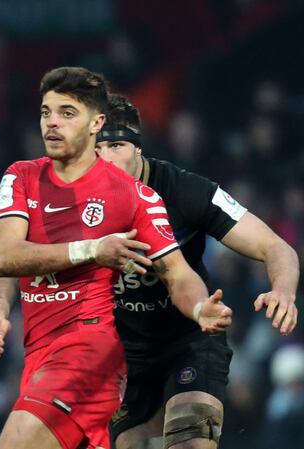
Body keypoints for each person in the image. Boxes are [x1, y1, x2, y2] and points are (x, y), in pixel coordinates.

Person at [0, 67, 232, 449]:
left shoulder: (134, 196)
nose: (52, 123)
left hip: (89, 351)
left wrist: (199, 308)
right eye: (47, 112)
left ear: (97, 123)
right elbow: (4, 259)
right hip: (38, 356)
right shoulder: (21, 176)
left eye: (68, 113)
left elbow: (177, 273)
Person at [95, 94, 298, 449]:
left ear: (139, 146)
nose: (106, 159)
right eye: (96, 149)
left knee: (190, 440)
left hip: (190, 339)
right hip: (124, 359)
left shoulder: (186, 190)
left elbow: (275, 246)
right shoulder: (75, 201)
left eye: (117, 145)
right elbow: (10, 257)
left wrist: (282, 290)